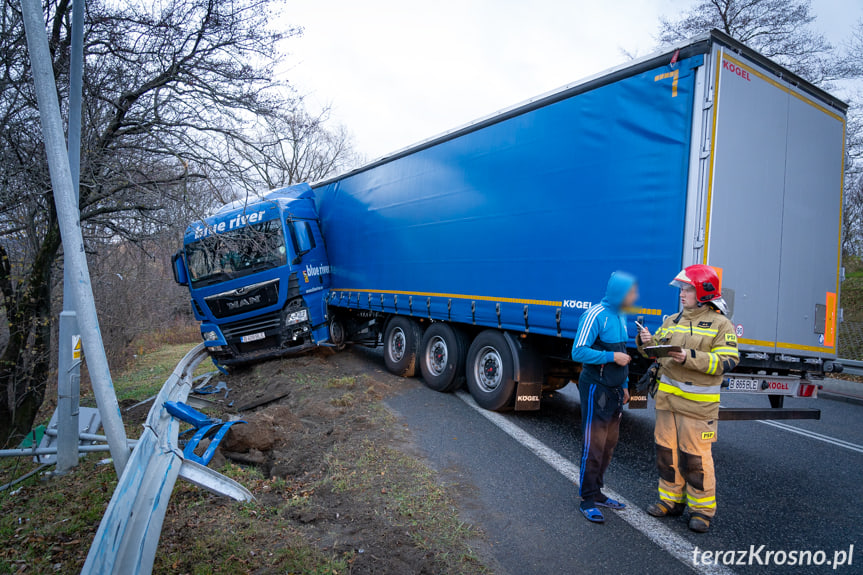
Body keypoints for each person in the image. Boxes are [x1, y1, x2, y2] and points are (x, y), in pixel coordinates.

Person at [637, 264, 739, 533]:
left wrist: (689, 357)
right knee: (666, 454)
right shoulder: (672, 320)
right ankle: (670, 500)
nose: (682, 294)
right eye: (682, 289)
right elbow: (654, 353)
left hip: (698, 406)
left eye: (688, 289)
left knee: (695, 458)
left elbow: (728, 360)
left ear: (703, 292)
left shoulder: (721, 324)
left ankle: (702, 510)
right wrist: (645, 341)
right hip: (667, 402)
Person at [571, 271, 637, 523]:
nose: (635, 296)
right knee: (594, 444)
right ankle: (587, 499)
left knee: (609, 444)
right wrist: (610, 358)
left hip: (615, 390)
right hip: (595, 388)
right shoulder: (595, 314)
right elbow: (578, 352)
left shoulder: (620, 314)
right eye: (631, 291)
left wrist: (626, 384)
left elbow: (623, 353)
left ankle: (598, 492)